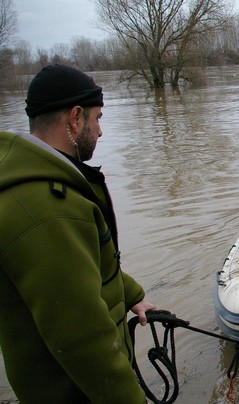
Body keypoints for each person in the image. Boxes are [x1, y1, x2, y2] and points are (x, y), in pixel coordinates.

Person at [0, 64, 155, 403]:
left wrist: (131, 294)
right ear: (74, 118)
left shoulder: (39, 185)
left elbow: (80, 266)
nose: (100, 131)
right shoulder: (48, 210)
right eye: (97, 118)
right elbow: (83, 339)